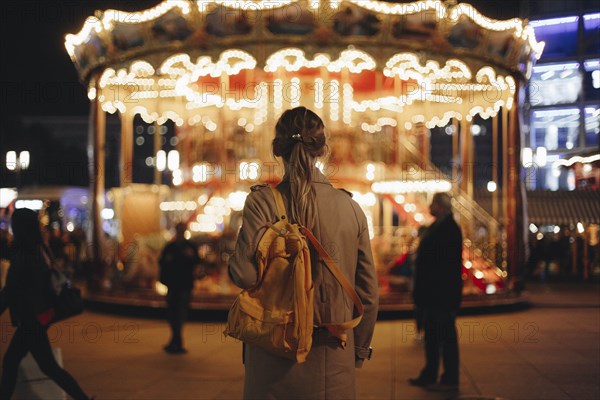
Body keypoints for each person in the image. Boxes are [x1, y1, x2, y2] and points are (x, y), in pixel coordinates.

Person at [228, 106, 379, 399]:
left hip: (272, 356)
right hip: (332, 358)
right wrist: (358, 351)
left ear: (277, 149)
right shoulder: (351, 209)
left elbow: (245, 276)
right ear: (322, 149)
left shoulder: (261, 203)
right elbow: (368, 293)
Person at [0, 208, 91, 400]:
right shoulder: (39, 251)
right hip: (37, 318)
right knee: (25, 364)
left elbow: (11, 292)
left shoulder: (25, 256)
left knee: (26, 364)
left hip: (32, 321)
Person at [409, 192, 463, 391]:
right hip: (437, 293)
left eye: (433, 204)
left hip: (440, 294)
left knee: (444, 336)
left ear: (439, 206)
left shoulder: (447, 229)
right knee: (434, 336)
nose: (430, 207)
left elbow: (441, 265)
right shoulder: (442, 226)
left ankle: (447, 376)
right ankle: (433, 373)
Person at [158, 221, 200, 354]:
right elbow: (162, 262)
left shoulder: (189, 247)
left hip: (183, 285)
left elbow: (197, 262)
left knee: (179, 312)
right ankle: (176, 340)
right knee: (172, 313)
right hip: (174, 284)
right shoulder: (171, 246)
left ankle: (176, 340)